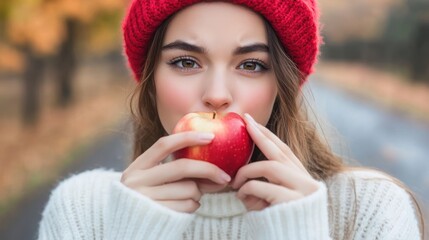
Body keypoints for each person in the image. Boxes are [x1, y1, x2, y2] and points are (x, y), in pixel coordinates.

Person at [37, 0, 424, 239]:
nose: (218, 94)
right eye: (186, 62)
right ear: (151, 80)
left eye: (252, 64)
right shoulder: (84, 209)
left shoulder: (368, 210)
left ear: (282, 85)